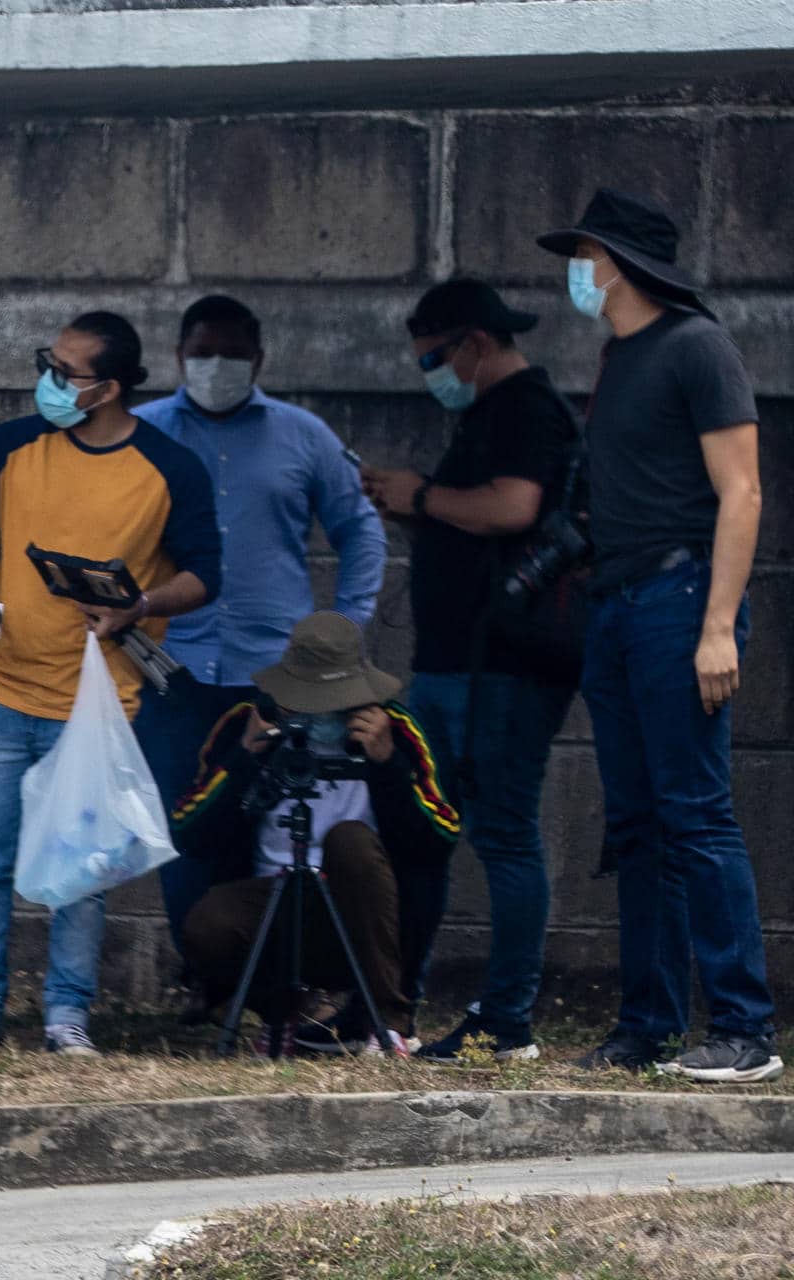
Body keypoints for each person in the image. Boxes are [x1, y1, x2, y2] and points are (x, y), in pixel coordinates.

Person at [0, 311, 220, 1058]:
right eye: (45, 364)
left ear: (111, 388)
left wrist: (138, 606)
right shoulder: (9, 446)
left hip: (98, 701)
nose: (48, 383)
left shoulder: (169, 467)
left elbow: (206, 575)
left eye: (66, 373)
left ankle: (66, 1017)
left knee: (85, 871)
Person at [536, 188, 780, 1083]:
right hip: (619, 605)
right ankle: (648, 1025)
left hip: (681, 603)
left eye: (585, 254)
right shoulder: (618, 356)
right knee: (637, 825)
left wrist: (718, 626)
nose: (577, 271)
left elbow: (743, 492)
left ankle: (746, 1030)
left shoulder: (697, 346)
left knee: (696, 815)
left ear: (621, 264)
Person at [357, 279, 581, 1063]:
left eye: (432, 355)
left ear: (473, 343)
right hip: (455, 665)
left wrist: (423, 494)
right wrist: (417, 504)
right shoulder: (485, 412)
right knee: (422, 833)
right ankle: (391, 1007)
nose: (428, 370)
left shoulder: (527, 410)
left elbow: (514, 507)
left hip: (506, 670)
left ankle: (507, 1019)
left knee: (505, 835)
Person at [130, 294, 386, 972]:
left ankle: (270, 982)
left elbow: (360, 529)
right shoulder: (143, 433)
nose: (217, 366)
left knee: (266, 825)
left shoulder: (304, 435)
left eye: (232, 354)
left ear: (259, 359)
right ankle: (205, 978)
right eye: (202, 353)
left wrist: (345, 629)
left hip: (275, 676)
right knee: (183, 827)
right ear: (178, 356)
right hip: (169, 668)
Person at [168, 613, 460, 1055]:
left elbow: (439, 841)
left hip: (363, 912)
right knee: (211, 922)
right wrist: (245, 761)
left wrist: (387, 766)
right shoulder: (246, 722)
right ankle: (279, 1015)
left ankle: (388, 1025)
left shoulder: (395, 727)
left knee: (350, 839)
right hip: (272, 906)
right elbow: (190, 833)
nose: (321, 709)